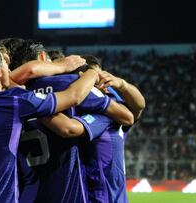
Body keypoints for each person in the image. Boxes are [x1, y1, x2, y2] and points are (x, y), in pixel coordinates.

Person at [0, 41, 100, 203]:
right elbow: (73, 96)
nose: (10, 68)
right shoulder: (14, 102)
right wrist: (92, 73)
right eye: (5, 64)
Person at [10, 40, 133, 203]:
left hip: (23, 192)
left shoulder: (7, 96)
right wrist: (92, 74)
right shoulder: (73, 83)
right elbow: (127, 116)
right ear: (42, 56)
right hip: (67, 191)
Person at [76, 55, 145, 203]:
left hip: (117, 195)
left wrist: (123, 85)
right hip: (97, 195)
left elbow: (139, 106)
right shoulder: (86, 108)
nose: (101, 83)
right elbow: (69, 129)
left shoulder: (113, 104)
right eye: (95, 78)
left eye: (102, 76)